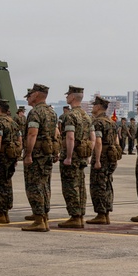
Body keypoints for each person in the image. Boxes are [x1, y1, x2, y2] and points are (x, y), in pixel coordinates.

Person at [22, 84, 58, 232]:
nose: (29, 97)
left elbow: (32, 133)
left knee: (34, 186)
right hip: (47, 153)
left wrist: (28, 154)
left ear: (36, 95)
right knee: (45, 186)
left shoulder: (35, 112)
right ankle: (44, 218)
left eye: (30, 95)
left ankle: (38, 220)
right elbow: (55, 134)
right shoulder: (51, 112)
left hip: (37, 155)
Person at [58, 85, 94, 229]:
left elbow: (70, 137)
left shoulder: (70, 116)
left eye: (68, 95)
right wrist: (87, 153)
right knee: (80, 186)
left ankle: (74, 216)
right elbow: (92, 138)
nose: (66, 97)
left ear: (72, 97)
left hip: (72, 157)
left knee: (70, 186)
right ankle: (80, 216)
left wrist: (68, 157)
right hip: (82, 156)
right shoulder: (86, 116)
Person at [88, 95, 120, 224]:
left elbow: (98, 142)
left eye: (94, 105)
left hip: (102, 157)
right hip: (111, 156)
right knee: (107, 184)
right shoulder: (111, 122)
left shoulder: (98, 122)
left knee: (98, 185)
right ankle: (106, 213)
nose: (92, 107)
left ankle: (101, 214)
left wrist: (97, 160)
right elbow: (116, 141)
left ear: (98, 107)